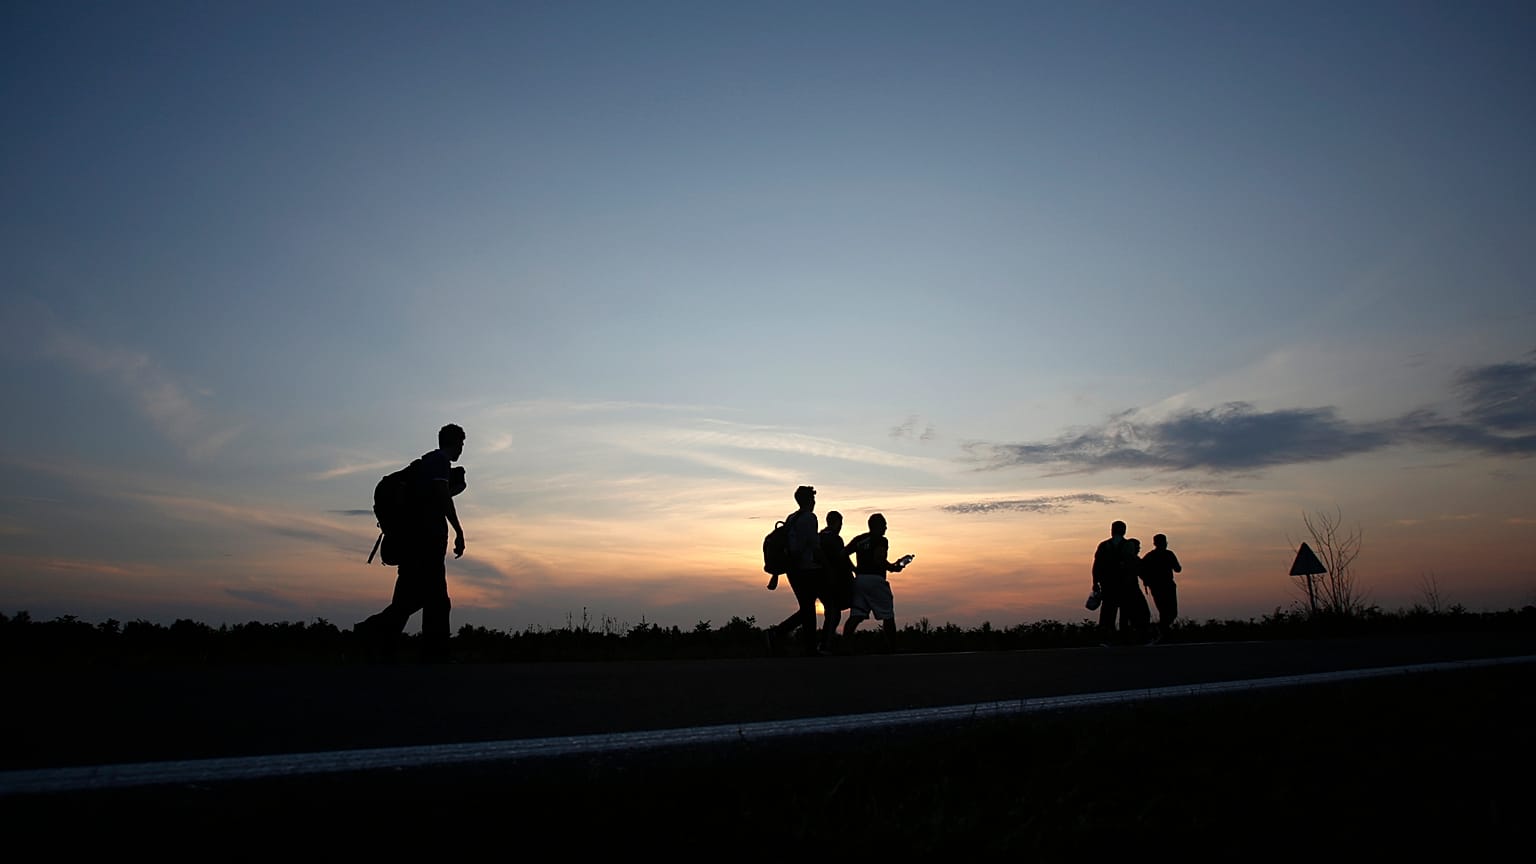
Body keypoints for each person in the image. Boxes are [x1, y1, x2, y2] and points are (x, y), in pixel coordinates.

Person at [356, 423, 468, 662]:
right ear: (456, 442)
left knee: (409, 598)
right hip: (425, 543)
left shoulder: (425, 463)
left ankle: (378, 642)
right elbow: (443, 497)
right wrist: (458, 530)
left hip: (412, 542)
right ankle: (433, 653)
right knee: (436, 600)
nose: (461, 449)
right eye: (461, 443)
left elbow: (437, 496)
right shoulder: (439, 463)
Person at [765, 486, 825, 656]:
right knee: (808, 608)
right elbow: (814, 545)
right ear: (809, 501)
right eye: (813, 499)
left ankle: (781, 635)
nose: (814, 502)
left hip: (792, 569)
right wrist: (825, 564)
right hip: (806, 568)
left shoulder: (791, 518)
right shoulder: (810, 518)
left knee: (807, 607)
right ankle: (803, 644)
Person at [843, 513, 912, 652]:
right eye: (884, 524)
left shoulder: (859, 539)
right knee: (888, 615)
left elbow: (843, 554)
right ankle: (892, 648)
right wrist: (893, 567)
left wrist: (854, 569)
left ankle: (844, 647)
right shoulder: (881, 540)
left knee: (856, 615)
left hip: (860, 580)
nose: (886, 527)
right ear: (877, 526)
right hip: (876, 580)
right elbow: (879, 558)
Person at [1092, 520, 1140, 645]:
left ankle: (1107, 637)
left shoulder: (1104, 545)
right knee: (1125, 611)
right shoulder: (1128, 545)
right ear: (1124, 531)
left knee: (1108, 611)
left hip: (1108, 584)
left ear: (1112, 530)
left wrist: (1095, 582)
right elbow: (1131, 563)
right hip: (1124, 584)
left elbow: (1097, 565)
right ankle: (1124, 638)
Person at [816, 510, 855, 655]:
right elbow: (843, 558)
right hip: (832, 581)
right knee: (833, 612)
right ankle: (825, 645)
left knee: (832, 612)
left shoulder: (819, 537)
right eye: (840, 523)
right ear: (837, 522)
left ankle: (826, 643)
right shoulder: (835, 539)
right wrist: (854, 571)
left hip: (819, 581)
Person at [1140, 533, 1182, 643]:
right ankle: (1163, 633)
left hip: (1160, 587)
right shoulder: (1167, 554)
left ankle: (1162, 632)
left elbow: (1141, 568)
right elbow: (1178, 569)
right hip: (1163, 586)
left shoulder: (1151, 556)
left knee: (1167, 612)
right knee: (1168, 612)